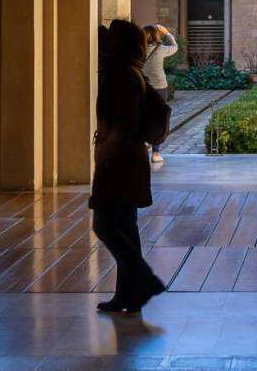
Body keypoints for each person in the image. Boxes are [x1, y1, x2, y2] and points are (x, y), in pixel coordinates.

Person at [90, 19, 166, 315]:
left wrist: (107, 150)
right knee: (124, 226)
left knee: (106, 223)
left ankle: (144, 280)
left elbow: (126, 122)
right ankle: (127, 295)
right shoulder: (129, 70)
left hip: (120, 161)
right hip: (128, 160)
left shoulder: (122, 75)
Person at [141, 24, 178, 164]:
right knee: (159, 118)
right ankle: (156, 153)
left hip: (144, 88)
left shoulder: (140, 50)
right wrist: (167, 33)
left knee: (143, 116)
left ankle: (143, 145)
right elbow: (175, 47)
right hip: (161, 88)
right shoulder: (161, 49)